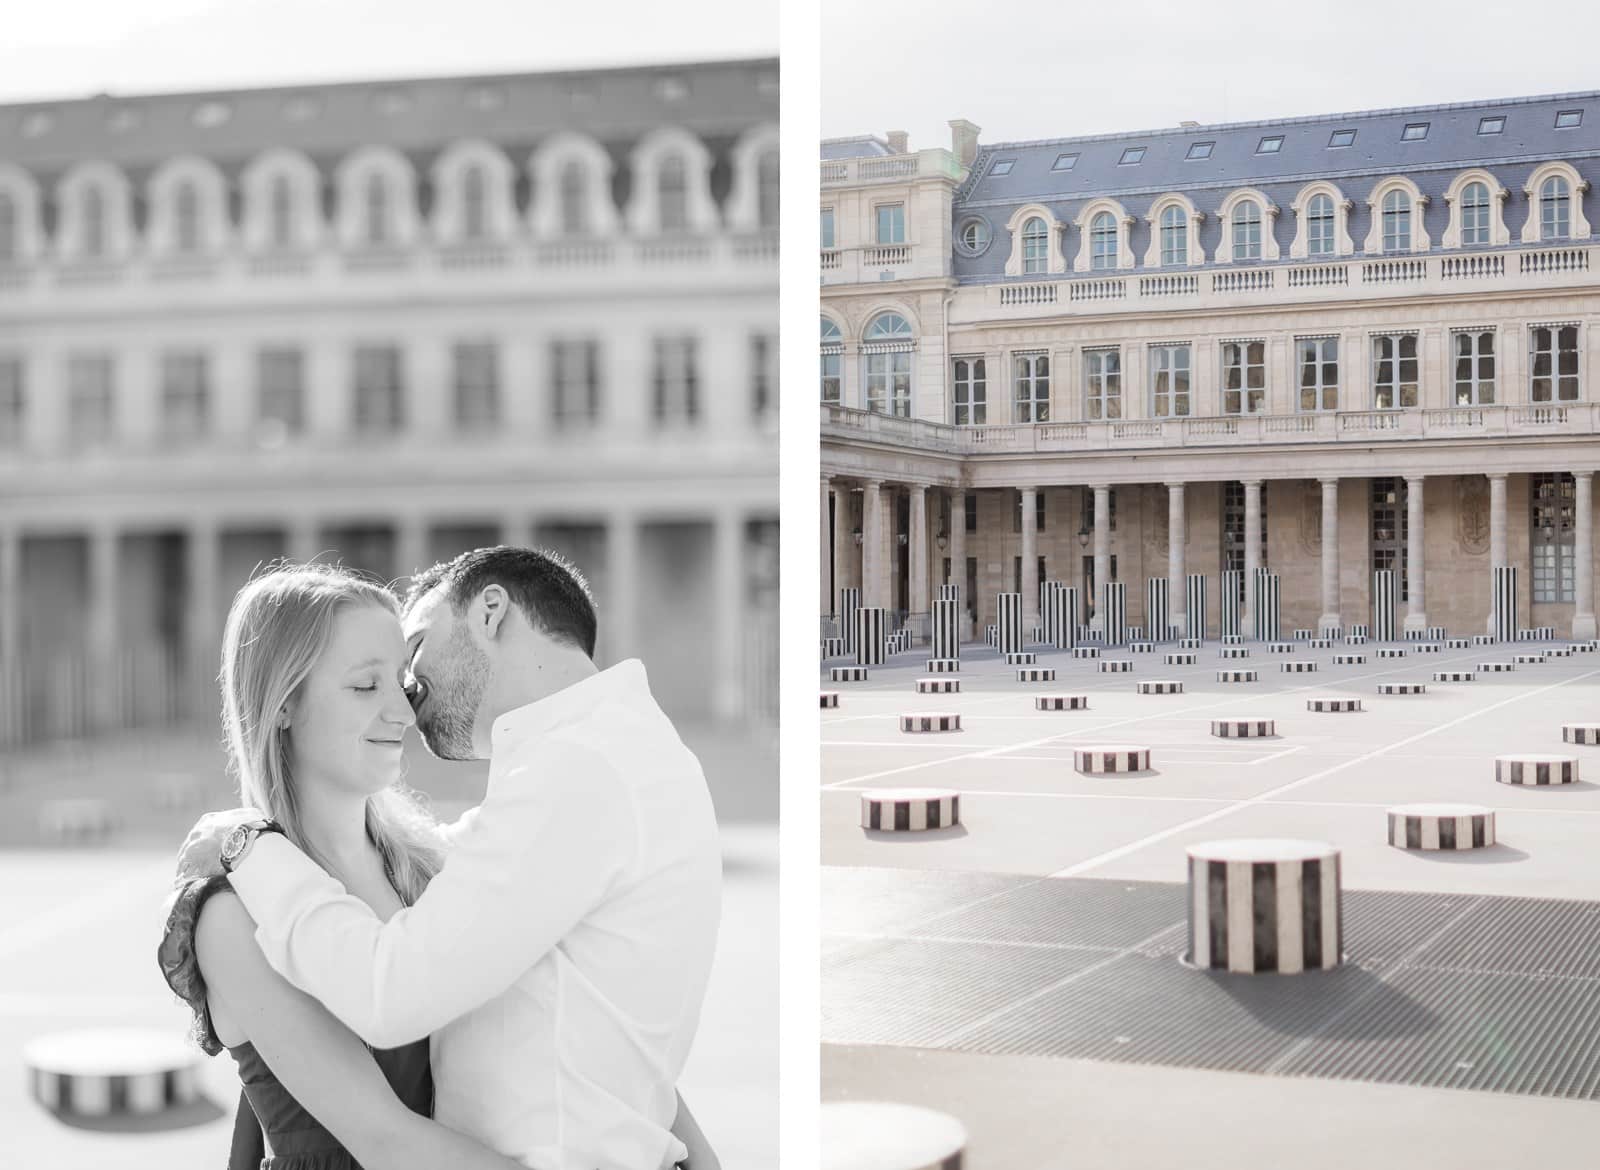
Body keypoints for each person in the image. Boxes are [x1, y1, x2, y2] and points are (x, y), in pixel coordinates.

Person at [173, 549, 723, 1170]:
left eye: (408, 668)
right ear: (284, 705)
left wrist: (245, 843)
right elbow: (384, 1137)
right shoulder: (238, 911)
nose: (409, 709)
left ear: (491, 613)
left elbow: (591, 1028)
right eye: (367, 684)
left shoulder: (452, 849)